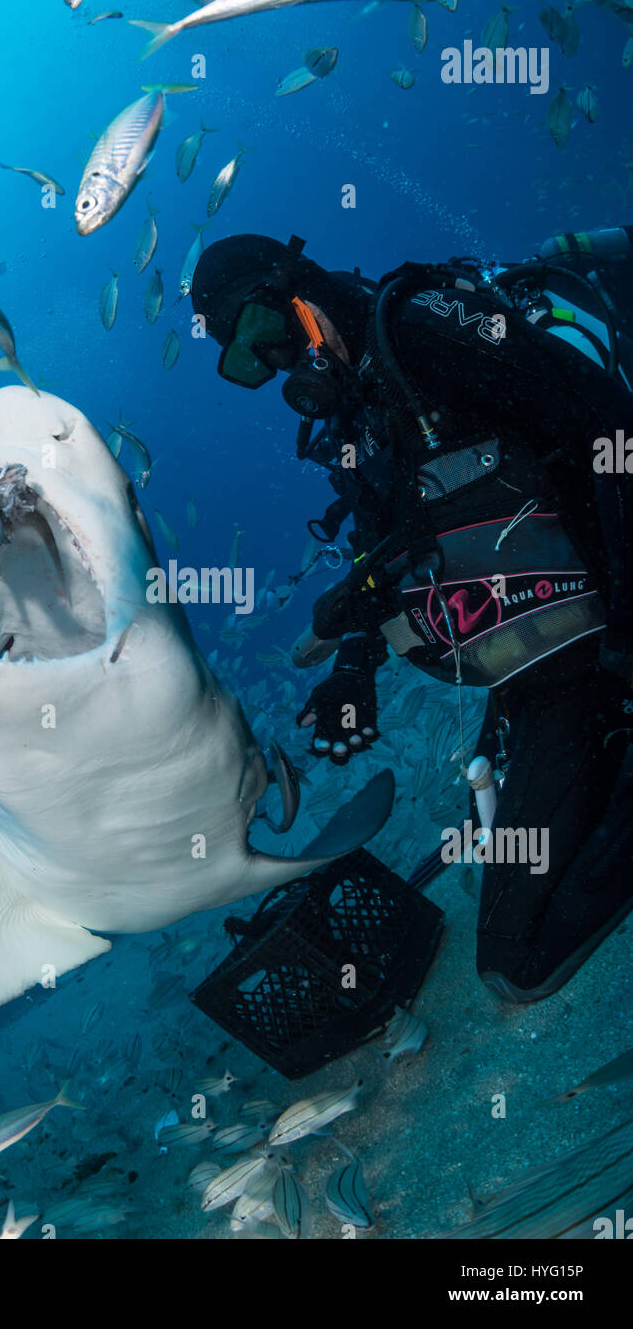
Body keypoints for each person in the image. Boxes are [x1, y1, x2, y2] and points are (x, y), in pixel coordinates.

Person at [191, 228, 633, 1003]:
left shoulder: (420, 330)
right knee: (496, 847)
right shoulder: (360, 416)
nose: (281, 363)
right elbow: (388, 554)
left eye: (271, 336)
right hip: (538, 659)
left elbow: (608, 429)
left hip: (597, 642)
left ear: (296, 280)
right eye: (252, 363)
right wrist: (353, 666)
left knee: (515, 958)